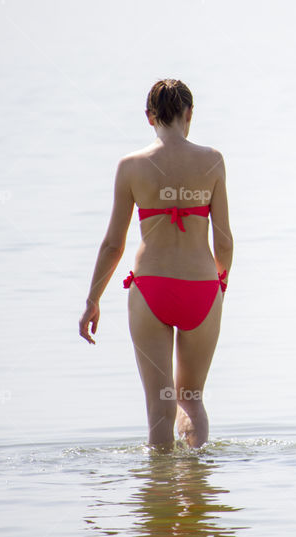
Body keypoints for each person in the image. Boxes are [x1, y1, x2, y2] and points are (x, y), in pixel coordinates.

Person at [78, 78, 233, 449]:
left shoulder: (131, 166)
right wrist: (219, 287)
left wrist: (92, 300)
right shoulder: (212, 161)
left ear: (149, 117)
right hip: (201, 286)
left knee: (159, 406)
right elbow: (224, 240)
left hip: (151, 289)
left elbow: (113, 244)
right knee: (191, 400)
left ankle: (160, 491)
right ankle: (196, 490)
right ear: (189, 114)